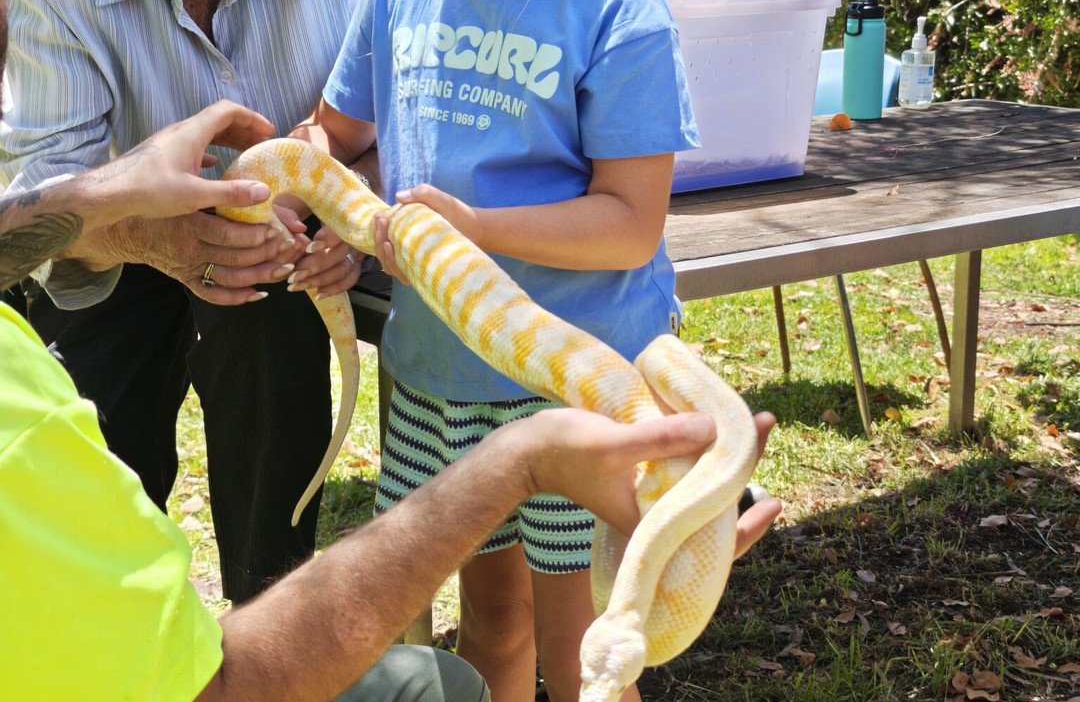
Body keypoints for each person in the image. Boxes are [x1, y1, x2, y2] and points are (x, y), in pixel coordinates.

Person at [0, 105, 783, 702]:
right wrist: (520, 461)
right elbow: (229, 686)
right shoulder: (19, 421)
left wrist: (104, 195)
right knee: (447, 669)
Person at [289, 0, 705, 698]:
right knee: (493, 612)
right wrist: (331, 208)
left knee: (582, 635)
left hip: (579, 384)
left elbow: (630, 225)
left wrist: (476, 229)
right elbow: (336, 135)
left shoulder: (619, 5)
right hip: (442, 370)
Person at [0, 0, 387, 602]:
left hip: (284, 234)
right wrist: (144, 228)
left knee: (273, 366)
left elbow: (391, 117)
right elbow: (38, 213)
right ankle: (122, 634)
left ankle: (266, 624)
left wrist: (349, 217)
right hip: (112, 242)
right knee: (97, 477)